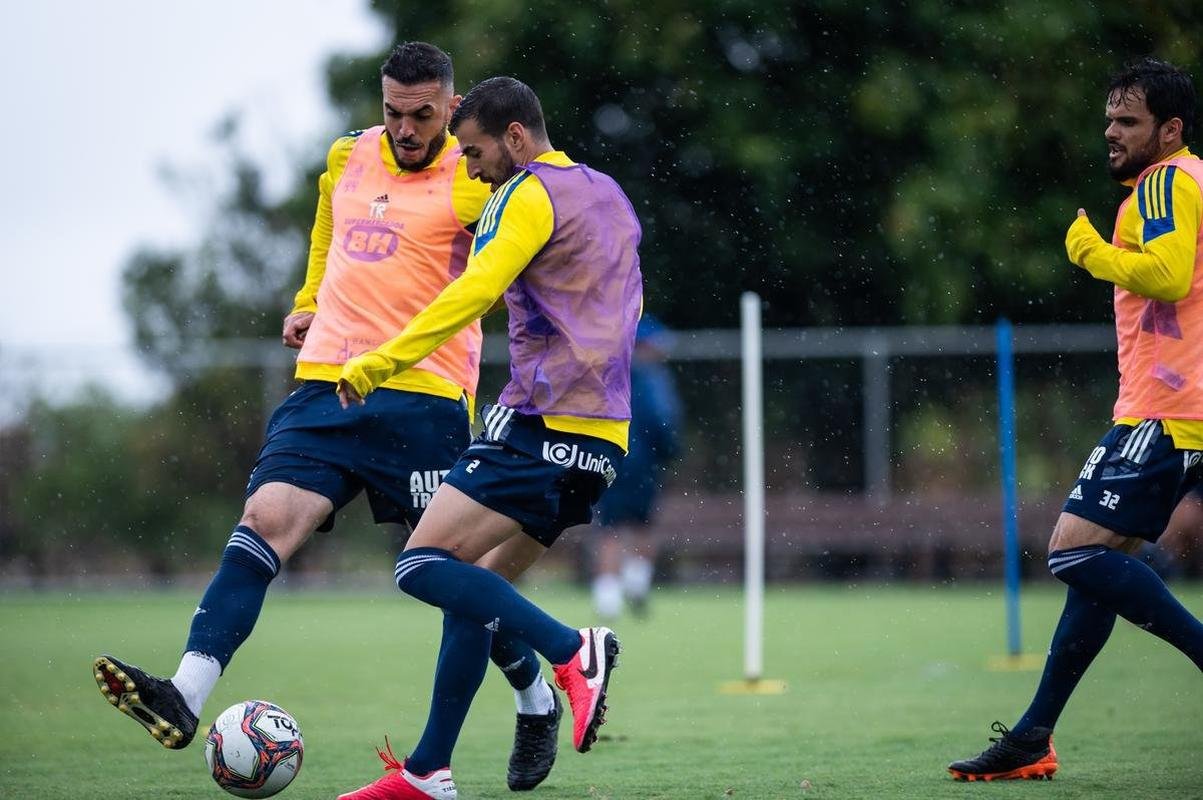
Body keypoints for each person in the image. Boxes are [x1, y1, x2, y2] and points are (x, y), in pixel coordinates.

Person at [92, 43, 564, 791]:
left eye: (422, 115)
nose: (405, 129)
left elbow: (538, 235)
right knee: (264, 518)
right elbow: (328, 233)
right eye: (392, 113)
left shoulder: (480, 179)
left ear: (450, 107)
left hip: (424, 397)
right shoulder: (347, 155)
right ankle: (185, 693)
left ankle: (533, 693)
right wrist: (309, 300)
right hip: (325, 385)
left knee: (451, 574)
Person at [333, 75, 643, 800]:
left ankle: (573, 652)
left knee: (420, 564)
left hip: (540, 425)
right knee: (475, 590)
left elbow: (472, 290)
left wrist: (380, 361)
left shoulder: (525, 193)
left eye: (472, 153)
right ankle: (427, 771)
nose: (466, 168)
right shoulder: (607, 192)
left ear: (513, 137)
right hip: (603, 440)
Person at [949, 57, 1203, 782]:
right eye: (1108, 120)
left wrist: (1090, 250)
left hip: (1164, 410)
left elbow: (1167, 273)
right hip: (1163, 406)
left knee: (1072, 553)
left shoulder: (1164, 181)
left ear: (1169, 128)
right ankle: (1032, 736)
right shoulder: (1180, 181)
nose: (1110, 133)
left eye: (1127, 121)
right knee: (1101, 568)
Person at [591, 314, 681, 619]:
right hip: (641, 465)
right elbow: (663, 423)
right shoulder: (652, 379)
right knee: (640, 526)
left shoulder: (609, 376)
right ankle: (634, 585)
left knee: (610, 528)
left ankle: (610, 596)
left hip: (610, 460)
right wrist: (670, 451)